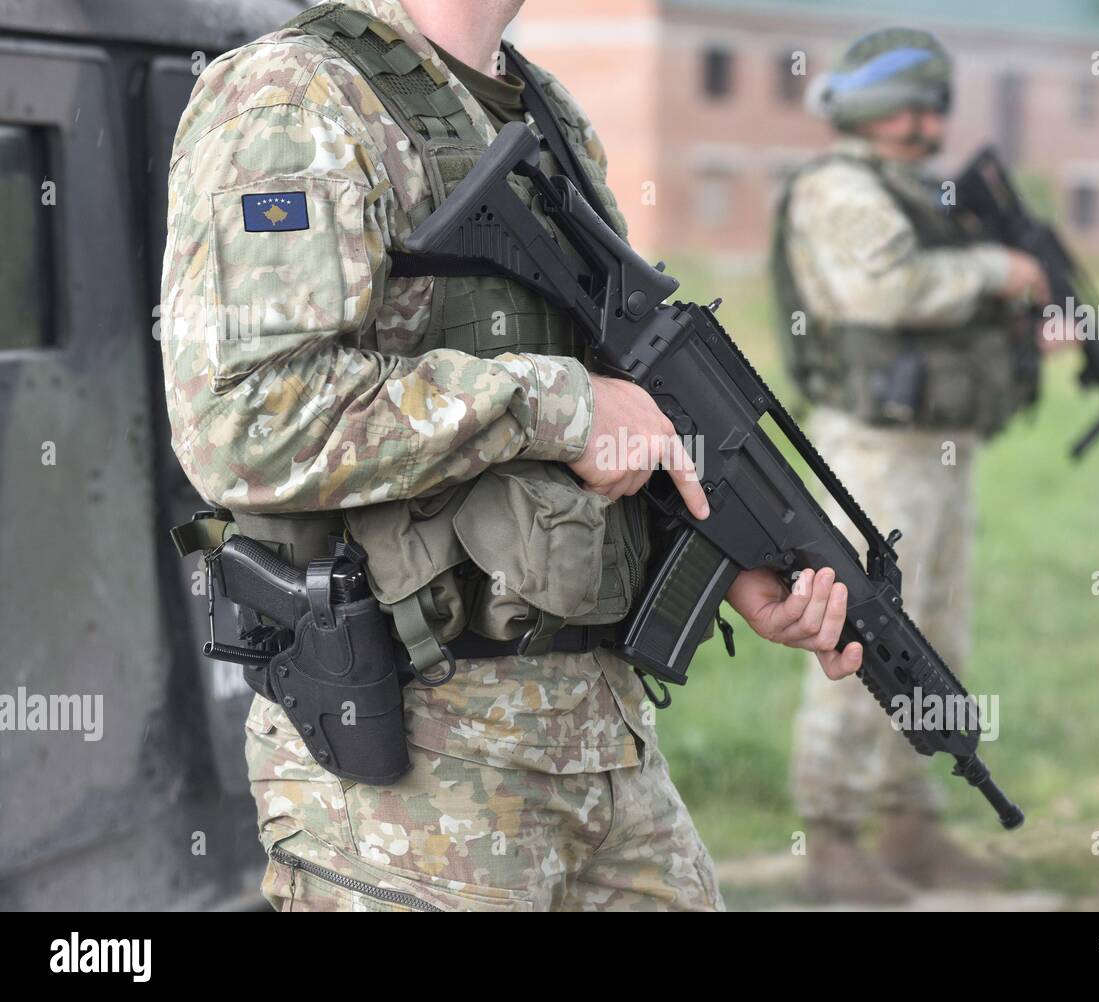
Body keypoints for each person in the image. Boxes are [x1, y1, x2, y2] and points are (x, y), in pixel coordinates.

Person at [160, 0, 862, 912]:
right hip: (411, 782)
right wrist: (554, 404)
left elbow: (620, 400)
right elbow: (244, 424)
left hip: (601, 750)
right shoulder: (292, 98)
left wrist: (729, 557)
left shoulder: (545, 112)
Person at [773, 27, 1047, 903]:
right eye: (925, 102)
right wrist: (995, 270)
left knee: (935, 639)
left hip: (935, 447)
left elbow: (940, 303)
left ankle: (909, 823)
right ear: (887, 110)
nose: (937, 119)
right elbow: (883, 292)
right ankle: (832, 838)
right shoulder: (840, 188)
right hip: (874, 454)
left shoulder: (910, 190)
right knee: (865, 639)